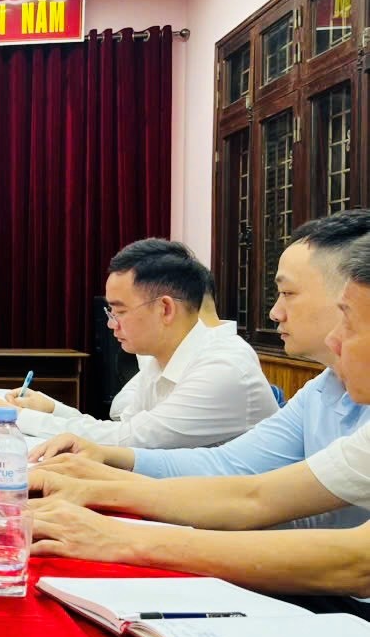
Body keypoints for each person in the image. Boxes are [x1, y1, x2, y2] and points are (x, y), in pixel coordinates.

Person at [30, 232, 370, 600]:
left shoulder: (225, 364)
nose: (274, 312)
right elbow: (246, 488)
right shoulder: (324, 386)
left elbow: (356, 562)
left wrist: (117, 533)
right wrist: (98, 482)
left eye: (287, 293)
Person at [0, 239, 277, 446]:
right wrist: (52, 409)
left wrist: (16, 417)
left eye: (119, 311)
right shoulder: (161, 358)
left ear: (165, 309)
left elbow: (130, 442)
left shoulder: (222, 366)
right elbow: (123, 431)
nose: (111, 324)